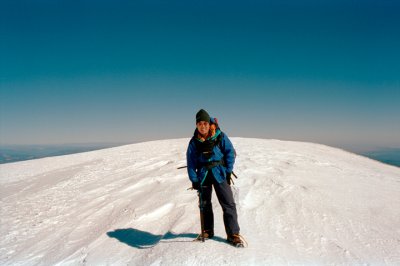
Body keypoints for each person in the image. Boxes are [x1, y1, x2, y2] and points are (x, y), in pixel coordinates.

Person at [186, 109, 244, 247]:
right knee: (204, 204)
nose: (202, 126)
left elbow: (229, 152)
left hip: (219, 173)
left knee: (228, 203)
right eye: (199, 123)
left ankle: (233, 234)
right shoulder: (194, 142)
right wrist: (194, 179)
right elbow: (190, 162)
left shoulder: (220, 136)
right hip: (203, 175)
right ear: (196, 125)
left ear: (209, 123)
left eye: (205, 123)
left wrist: (228, 171)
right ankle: (207, 231)